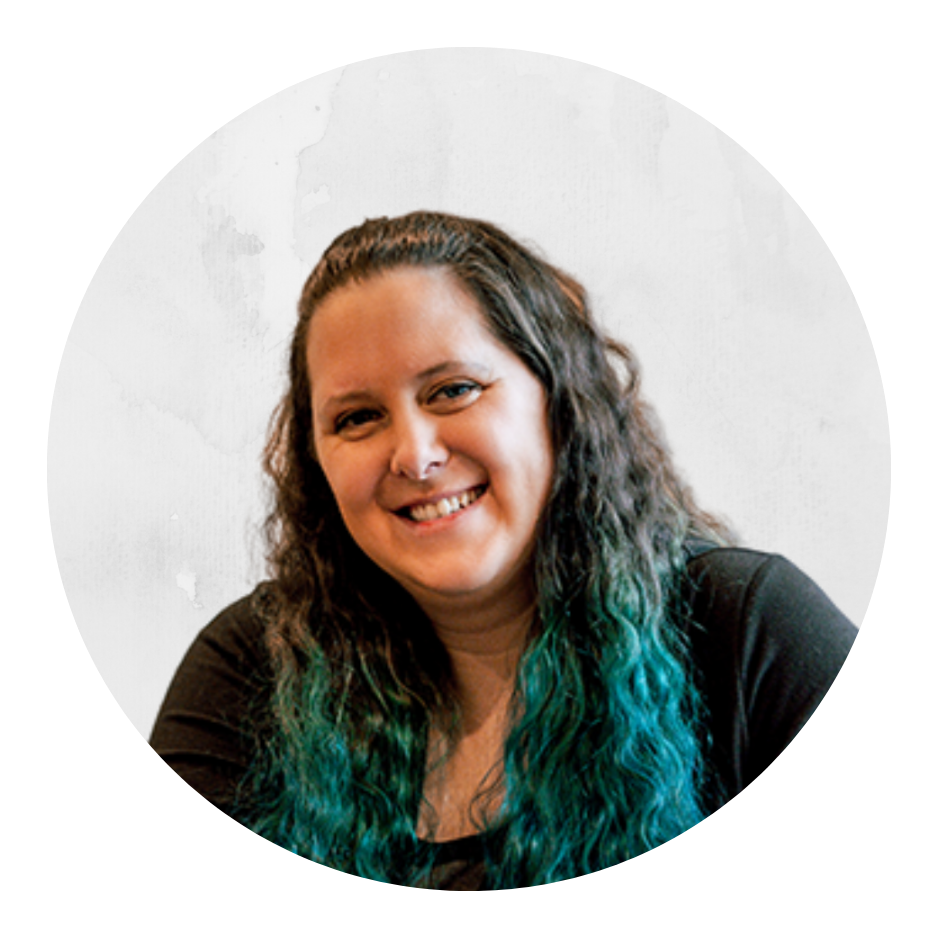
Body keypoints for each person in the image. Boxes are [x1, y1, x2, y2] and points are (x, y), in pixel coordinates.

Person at [150, 211, 859, 894]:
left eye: (454, 390)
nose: (415, 455)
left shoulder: (751, 633)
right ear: (316, 461)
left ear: (559, 404)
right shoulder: (252, 674)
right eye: (357, 418)